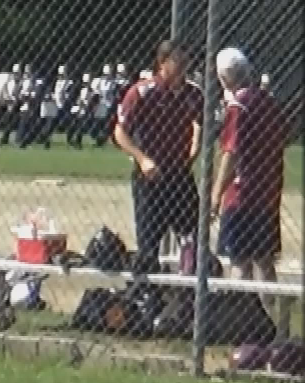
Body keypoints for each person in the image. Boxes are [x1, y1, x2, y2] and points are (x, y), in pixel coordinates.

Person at [214, 47, 290, 339]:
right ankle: (271, 324)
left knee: (239, 261)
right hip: (267, 191)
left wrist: (215, 195)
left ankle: (245, 325)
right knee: (264, 259)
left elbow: (230, 154)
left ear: (224, 78)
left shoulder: (238, 106)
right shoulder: (268, 101)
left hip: (242, 194)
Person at [114, 41, 203, 278]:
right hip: (151, 176)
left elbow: (200, 122)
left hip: (180, 174)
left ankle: (189, 295)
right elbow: (120, 132)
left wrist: (196, 141)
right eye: (179, 61)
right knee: (149, 245)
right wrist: (142, 159)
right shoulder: (143, 92)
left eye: (187, 62)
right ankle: (148, 301)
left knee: (192, 237)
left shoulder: (193, 93)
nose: (185, 66)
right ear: (162, 63)